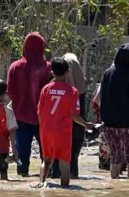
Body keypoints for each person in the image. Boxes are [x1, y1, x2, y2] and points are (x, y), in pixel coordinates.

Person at [37, 58, 94, 187]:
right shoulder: (72, 91)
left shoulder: (45, 89)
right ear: (68, 72)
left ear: (52, 73)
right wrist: (86, 125)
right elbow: (74, 115)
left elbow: (39, 112)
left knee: (46, 160)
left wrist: (44, 127)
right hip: (62, 132)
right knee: (64, 162)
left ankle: (41, 183)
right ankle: (65, 189)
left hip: (46, 130)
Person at [6, 32, 52, 176]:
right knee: (45, 150)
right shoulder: (48, 67)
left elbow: (10, 92)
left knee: (22, 151)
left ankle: (22, 175)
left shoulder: (15, 67)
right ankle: (47, 176)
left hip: (20, 115)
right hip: (42, 117)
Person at [99, 43, 129, 179]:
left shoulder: (108, 73)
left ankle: (114, 183)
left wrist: (104, 119)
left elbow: (103, 97)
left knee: (115, 154)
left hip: (110, 123)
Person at [51, 53, 88, 179]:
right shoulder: (77, 90)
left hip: (57, 127)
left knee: (57, 155)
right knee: (72, 156)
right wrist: (86, 124)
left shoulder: (50, 88)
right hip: (74, 124)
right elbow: (76, 114)